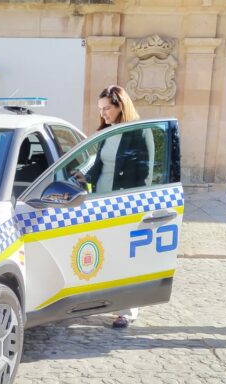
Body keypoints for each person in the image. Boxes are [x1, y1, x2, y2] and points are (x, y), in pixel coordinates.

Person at [82, 85, 154, 329]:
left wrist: (137, 207)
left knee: (125, 257)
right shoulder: (107, 131)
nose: (102, 113)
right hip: (102, 200)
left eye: (106, 108)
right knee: (106, 254)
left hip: (125, 203)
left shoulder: (139, 132)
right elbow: (99, 166)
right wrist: (81, 178)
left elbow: (145, 172)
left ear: (120, 106)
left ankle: (128, 311)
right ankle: (107, 301)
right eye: (100, 109)